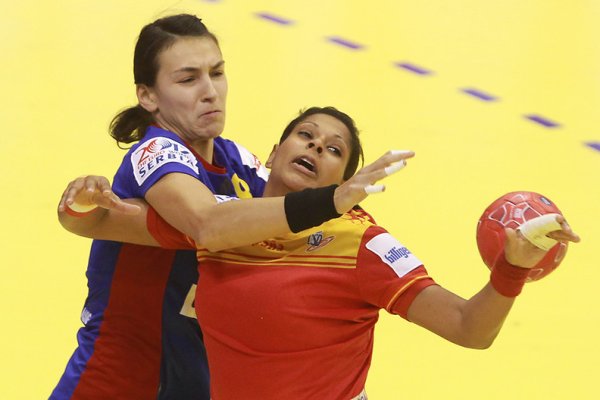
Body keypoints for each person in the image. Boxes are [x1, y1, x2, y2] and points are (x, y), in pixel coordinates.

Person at [58, 106, 580, 399]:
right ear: (275, 151)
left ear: (345, 182)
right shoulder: (220, 223)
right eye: (305, 136)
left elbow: (470, 328)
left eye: (333, 150)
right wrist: (84, 193)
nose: (314, 149)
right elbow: (92, 222)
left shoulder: (364, 246)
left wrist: (512, 269)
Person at [52, 15, 409, 400]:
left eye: (217, 73)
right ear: (148, 96)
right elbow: (208, 223)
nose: (210, 92)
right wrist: (331, 200)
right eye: (188, 79)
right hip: (116, 385)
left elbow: (286, 213)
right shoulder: (157, 153)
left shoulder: (236, 161)